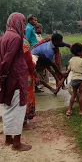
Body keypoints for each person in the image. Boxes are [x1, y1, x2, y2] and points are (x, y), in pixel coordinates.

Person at [0, 12, 32, 151]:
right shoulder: (16, 38)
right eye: (23, 22)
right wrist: (2, 74)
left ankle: (8, 139)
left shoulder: (5, 35)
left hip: (9, 78)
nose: (24, 26)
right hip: (16, 77)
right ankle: (17, 143)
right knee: (18, 109)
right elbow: (8, 59)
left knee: (7, 107)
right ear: (17, 23)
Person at [64, 43, 82, 116]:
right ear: (79, 52)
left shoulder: (71, 60)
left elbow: (68, 70)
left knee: (73, 94)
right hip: (81, 79)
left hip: (73, 79)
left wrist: (64, 73)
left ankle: (69, 110)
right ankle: (81, 111)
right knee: (81, 95)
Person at [22, 38, 39, 129]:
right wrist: (35, 74)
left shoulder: (5, 39)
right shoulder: (23, 41)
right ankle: (24, 121)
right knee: (26, 96)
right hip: (25, 74)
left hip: (12, 75)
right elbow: (29, 61)